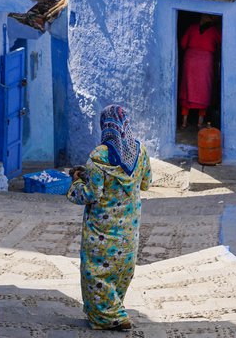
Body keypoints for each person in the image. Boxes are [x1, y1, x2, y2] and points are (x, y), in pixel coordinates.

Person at [66, 104, 152, 330]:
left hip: (101, 229)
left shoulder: (98, 156)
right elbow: (146, 183)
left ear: (105, 127)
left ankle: (107, 317)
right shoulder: (140, 151)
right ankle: (115, 310)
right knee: (120, 270)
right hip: (128, 228)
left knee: (96, 272)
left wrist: (76, 180)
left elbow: (89, 194)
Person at [179, 14, 222, 128]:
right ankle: (200, 122)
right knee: (203, 89)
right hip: (205, 62)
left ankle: (184, 122)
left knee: (187, 89)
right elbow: (221, 43)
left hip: (190, 60)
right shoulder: (214, 31)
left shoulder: (192, 28)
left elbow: (183, 43)